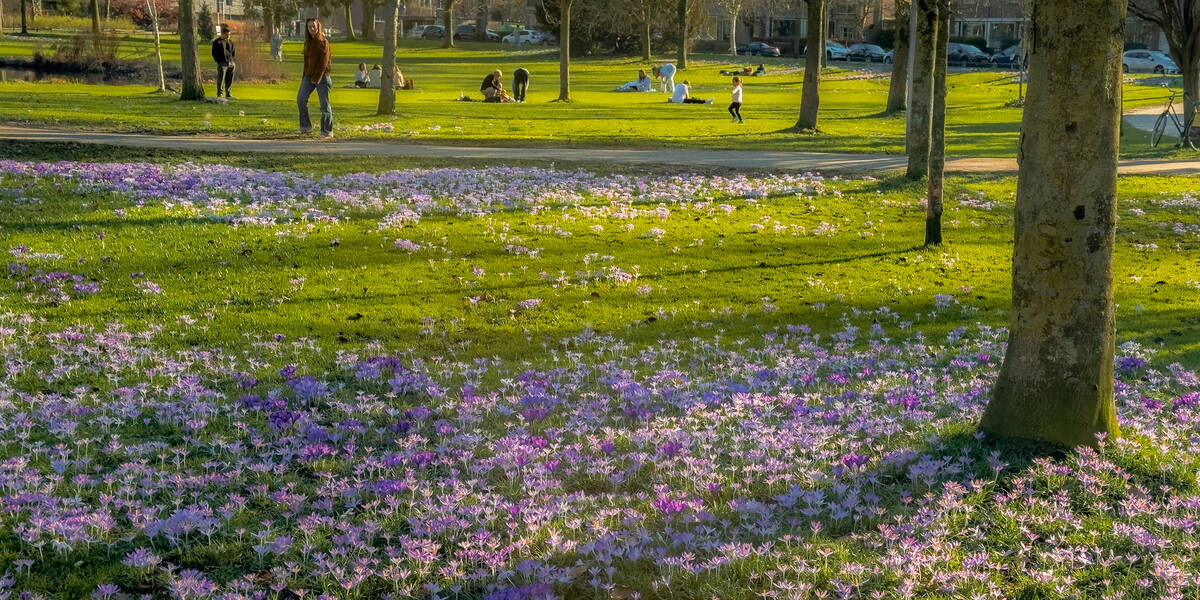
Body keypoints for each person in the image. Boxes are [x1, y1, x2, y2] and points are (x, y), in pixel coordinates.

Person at [298, 18, 334, 139]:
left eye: (314, 26)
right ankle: (305, 126)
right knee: (301, 99)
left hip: (322, 77)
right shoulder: (308, 42)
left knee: (324, 105)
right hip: (308, 76)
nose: (312, 29)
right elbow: (306, 62)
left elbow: (324, 63)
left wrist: (317, 78)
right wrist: (304, 76)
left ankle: (327, 131)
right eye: (309, 27)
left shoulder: (323, 41)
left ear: (318, 27)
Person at [210, 24, 235, 99]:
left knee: (229, 79)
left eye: (229, 35)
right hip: (222, 63)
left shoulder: (230, 42)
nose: (228, 36)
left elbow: (233, 52)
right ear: (223, 34)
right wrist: (219, 61)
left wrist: (232, 61)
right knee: (221, 79)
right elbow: (214, 53)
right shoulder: (217, 42)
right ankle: (220, 94)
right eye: (227, 35)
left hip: (230, 63)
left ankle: (228, 93)